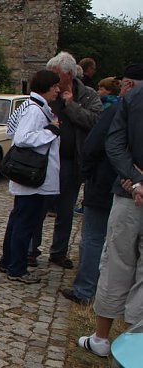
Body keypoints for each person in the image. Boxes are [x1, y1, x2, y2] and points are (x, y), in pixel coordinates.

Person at [78, 64, 143, 357]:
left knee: (117, 261)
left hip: (130, 192)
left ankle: (104, 338)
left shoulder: (130, 100)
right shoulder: (131, 101)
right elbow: (113, 142)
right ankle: (129, 343)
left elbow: (113, 142)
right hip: (130, 190)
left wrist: (135, 179)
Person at [62, 72, 137, 304]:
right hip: (131, 185)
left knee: (94, 237)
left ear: (129, 85)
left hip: (108, 182)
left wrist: (85, 173)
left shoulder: (119, 110)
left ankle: (85, 289)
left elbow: (95, 143)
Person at [28, 51, 102, 270]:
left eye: (57, 76)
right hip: (44, 160)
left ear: (69, 75)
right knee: (38, 207)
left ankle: (58, 252)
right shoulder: (46, 91)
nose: (53, 80)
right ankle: (31, 250)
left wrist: (72, 106)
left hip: (71, 161)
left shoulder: (87, 95)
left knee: (65, 210)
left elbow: (96, 122)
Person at [0, 69, 62, 284]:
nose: (58, 90)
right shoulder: (35, 111)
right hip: (32, 178)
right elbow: (22, 138)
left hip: (31, 178)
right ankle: (17, 268)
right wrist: (51, 131)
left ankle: (8, 261)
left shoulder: (31, 106)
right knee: (24, 224)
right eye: (55, 87)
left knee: (18, 221)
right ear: (47, 86)